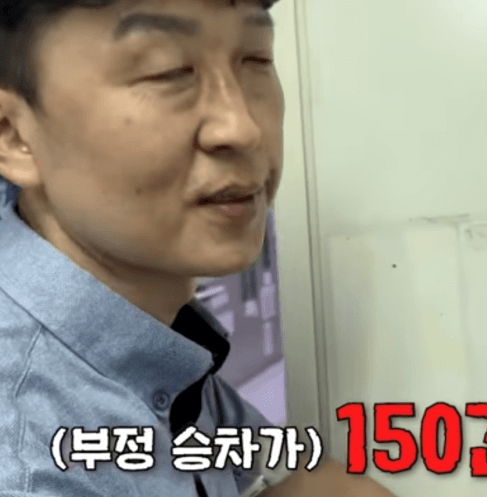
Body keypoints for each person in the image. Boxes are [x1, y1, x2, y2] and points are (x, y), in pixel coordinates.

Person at [0, 1, 396, 496]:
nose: (243, 128)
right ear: (13, 135)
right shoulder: (28, 462)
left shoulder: (148, 330)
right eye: (167, 70)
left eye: (256, 59)